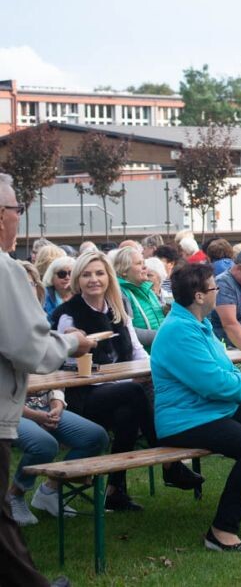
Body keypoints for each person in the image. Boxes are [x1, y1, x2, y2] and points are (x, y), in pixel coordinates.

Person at [153, 263, 241, 552]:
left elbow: (223, 371)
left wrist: (239, 382)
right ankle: (221, 530)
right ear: (199, 296)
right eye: (214, 287)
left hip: (213, 410)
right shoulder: (179, 331)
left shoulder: (199, 324)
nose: (218, 292)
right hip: (185, 419)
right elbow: (213, 383)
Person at [1, 173, 95, 587]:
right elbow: (31, 350)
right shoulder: (3, 269)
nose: (19, 217)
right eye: (17, 209)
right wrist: (72, 343)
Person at [52, 251, 203, 510]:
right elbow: (62, 362)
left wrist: (153, 370)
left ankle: (115, 490)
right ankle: (170, 463)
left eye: (99, 273)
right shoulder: (68, 315)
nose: (93, 279)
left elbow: (136, 350)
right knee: (134, 393)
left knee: (128, 413)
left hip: (116, 391)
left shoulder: (117, 308)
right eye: (86, 275)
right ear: (77, 280)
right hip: (81, 395)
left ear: (109, 278)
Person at [6, 261, 108, 526]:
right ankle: (15, 494)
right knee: (45, 444)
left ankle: (50, 490)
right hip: (13, 410)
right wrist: (35, 415)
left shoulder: (39, 323)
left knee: (95, 436)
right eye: (22, 284)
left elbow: (54, 372)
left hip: (45, 405)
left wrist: (57, 402)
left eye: (32, 283)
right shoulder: (8, 326)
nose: (27, 288)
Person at [115, 246, 166, 348]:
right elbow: (128, 331)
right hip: (141, 355)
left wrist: (166, 311)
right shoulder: (121, 294)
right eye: (139, 263)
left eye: (144, 263)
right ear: (124, 270)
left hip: (158, 351)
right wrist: (163, 335)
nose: (145, 267)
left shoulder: (148, 290)